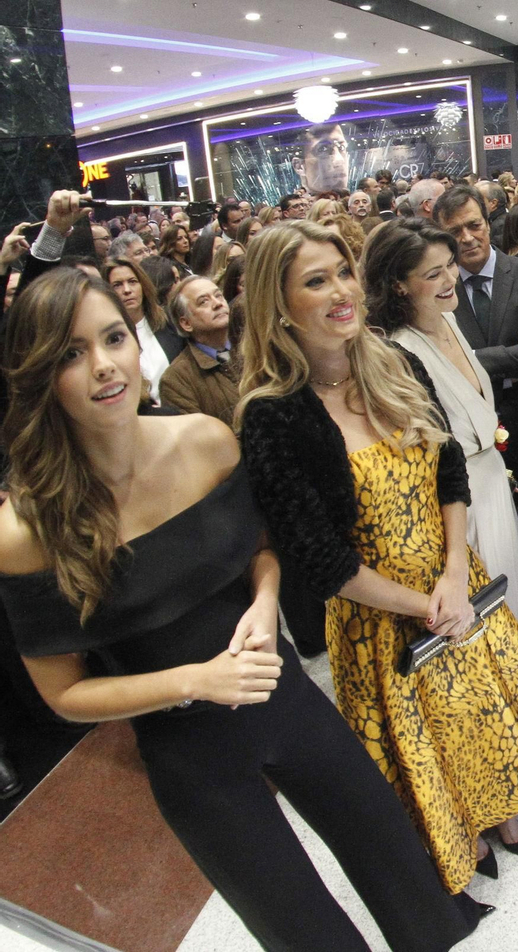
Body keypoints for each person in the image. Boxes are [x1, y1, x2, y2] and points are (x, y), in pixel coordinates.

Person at [0, 269, 484, 951]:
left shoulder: (203, 441)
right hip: (189, 754)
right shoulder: (24, 533)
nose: (104, 366)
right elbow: (65, 694)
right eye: (71, 354)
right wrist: (193, 682)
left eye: (113, 338)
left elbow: (259, 548)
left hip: (287, 700)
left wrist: (263, 601)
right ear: (39, 376)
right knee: (303, 930)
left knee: (406, 876)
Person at [238, 219, 518, 893]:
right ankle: (462, 834)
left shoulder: (393, 361)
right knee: (427, 738)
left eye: (341, 272)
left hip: (452, 580)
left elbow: (449, 467)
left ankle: (502, 809)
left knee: (479, 709)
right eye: (315, 281)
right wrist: (426, 606)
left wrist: (453, 573)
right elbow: (321, 560)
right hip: (379, 613)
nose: (340, 292)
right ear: (276, 305)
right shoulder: (273, 415)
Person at [364, 218, 518, 667]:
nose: (451, 279)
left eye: (449, 266)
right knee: (477, 621)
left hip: (491, 483)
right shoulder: (396, 352)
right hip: (453, 501)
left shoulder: (450, 322)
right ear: (398, 286)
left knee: (511, 598)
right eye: (433, 274)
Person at [158, 275, 240, 424]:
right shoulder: (176, 381)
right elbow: (198, 442)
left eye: (219, 295)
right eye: (203, 302)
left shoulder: (253, 347)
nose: (217, 304)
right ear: (186, 323)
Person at [104, 256, 179, 404]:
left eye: (132, 282)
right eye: (117, 285)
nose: (127, 290)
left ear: (143, 285)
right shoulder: (106, 340)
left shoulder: (168, 321)